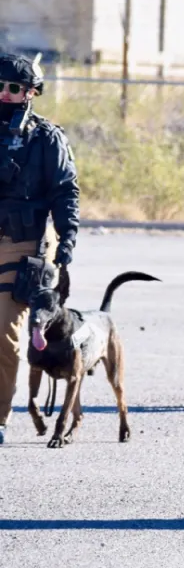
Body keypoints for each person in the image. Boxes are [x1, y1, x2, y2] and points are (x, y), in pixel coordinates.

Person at [0, 53, 79, 446]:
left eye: (13, 87)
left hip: (22, 244)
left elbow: (65, 192)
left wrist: (67, 239)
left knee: (5, 330)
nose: (3, 93)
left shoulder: (46, 137)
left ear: (30, 92)